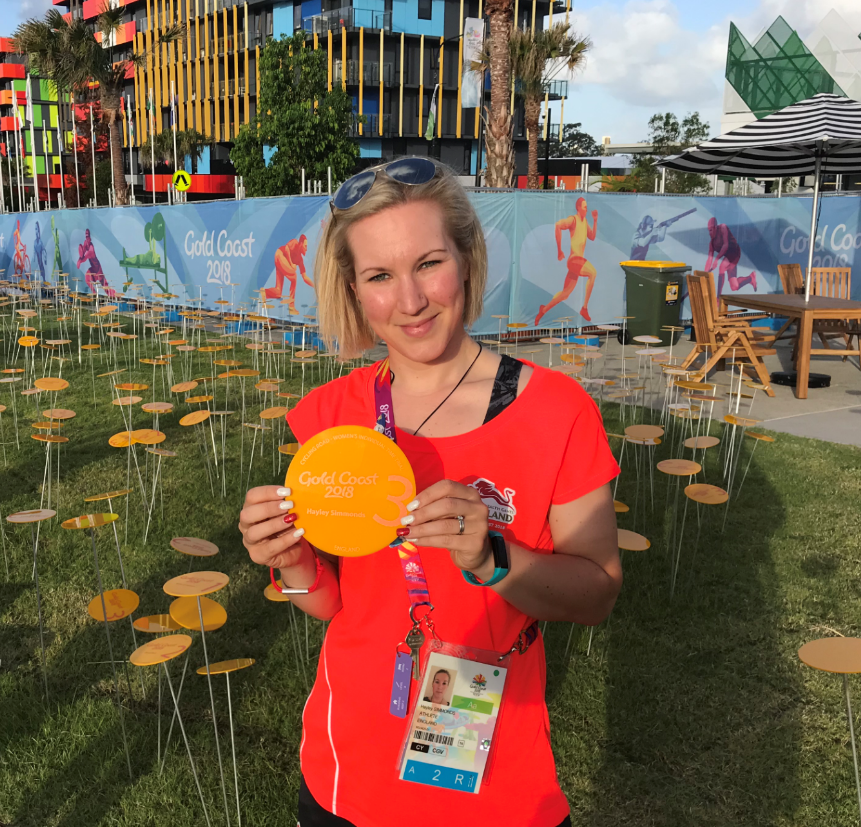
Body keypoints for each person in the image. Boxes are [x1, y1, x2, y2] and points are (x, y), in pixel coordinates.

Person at [239, 157, 622, 827]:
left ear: (467, 259)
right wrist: (289, 560)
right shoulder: (331, 418)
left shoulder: (555, 411)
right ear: (354, 291)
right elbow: (327, 604)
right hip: (344, 779)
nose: (410, 300)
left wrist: (492, 558)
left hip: (499, 787)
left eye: (427, 263)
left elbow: (597, 594)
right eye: (379, 276)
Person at [535, 197, 598, 325]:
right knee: (593, 273)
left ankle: (544, 309)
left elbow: (591, 237)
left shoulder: (585, 221)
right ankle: (584, 308)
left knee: (565, 294)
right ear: (578, 208)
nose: (586, 210)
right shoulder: (573, 220)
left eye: (587, 207)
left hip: (577, 263)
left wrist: (595, 221)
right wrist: (559, 250)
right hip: (575, 260)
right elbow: (558, 225)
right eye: (585, 207)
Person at [704, 217, 757, 301]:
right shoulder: (712, 243)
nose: (709, 233)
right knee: (734, 287)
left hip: (734, 252)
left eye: (711, 230)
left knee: (722, 267)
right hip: (728, 258)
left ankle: (718, 298)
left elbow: (726, 245)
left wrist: (717, 259)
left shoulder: (723, 228)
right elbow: (709, 260)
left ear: (715, 227)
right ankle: (750, 278)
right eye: (708, 231)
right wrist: (704, 274)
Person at [265, 234, 311, 312]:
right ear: (301, 244)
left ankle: (265, 292)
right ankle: (291, 306)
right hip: (280, 254)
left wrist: (315, 286)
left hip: (282, 262)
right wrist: (291, 264)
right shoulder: (295, 243)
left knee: (278, 292)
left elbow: (305, 278)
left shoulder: (300, 260)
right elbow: (286, 248)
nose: (306, 249)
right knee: (294, 277)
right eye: (305, 246)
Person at [77, 229, 114, 296]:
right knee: (87, 278)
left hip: (98, 269)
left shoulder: (91, 249)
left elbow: (85, 257)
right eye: (86, 235)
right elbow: (83, 253)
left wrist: (80, 261)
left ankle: (113, 295)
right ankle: (94, 293)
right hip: (93, 269)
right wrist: (80, 258)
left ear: (90, 238)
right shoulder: (85, 243)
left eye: (88, 235)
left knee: (105, 288)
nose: (86, 237)